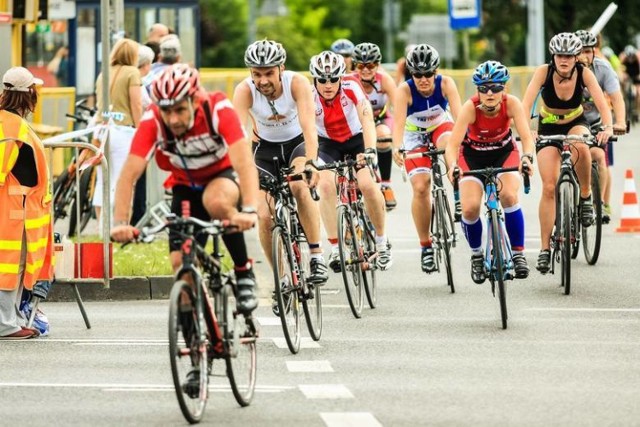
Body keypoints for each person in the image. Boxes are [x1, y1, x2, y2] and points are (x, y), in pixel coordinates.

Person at [110, 64, 259, 314]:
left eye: (180, 110)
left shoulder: (218, 109)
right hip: (185, 186)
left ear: (195, 100)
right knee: (180, 262)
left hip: (221, 176)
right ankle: (194, 331)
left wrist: (250, 210)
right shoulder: (153, 121)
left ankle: (244, 272)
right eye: (167, 111)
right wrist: (121, 222)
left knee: (218, 202)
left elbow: (244, 165)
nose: (174, 119)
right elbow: (128, 175)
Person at [232, 40, 328, 305]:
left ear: (281, 69)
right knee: (264, 215)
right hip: (263, 149)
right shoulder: (244, 91)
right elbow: (237, 135)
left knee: (299, 187)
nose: (262, 80)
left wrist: (311, 162)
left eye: (268, 73)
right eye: (256, 73)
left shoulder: (296, 83)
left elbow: (310, 126)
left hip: (297, 144)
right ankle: (282, 278)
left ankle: (316, 255)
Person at [522, 32, 613, 274]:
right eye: (560, 55)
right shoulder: (544, 72)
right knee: (550, 186)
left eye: (569, 56)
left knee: (583, 146)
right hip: (548, 126)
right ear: (553, 56)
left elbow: (602, 104)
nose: (564, 60)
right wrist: (527, 131)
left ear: (576, 57)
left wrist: (608, 126)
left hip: (575, 122)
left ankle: (585, 197)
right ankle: (544, 249)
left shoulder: (584, 73)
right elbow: (525, 103)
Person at [445, 61, 535, 283]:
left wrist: (526, 158)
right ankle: (476, 255)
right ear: (477, 90)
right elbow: (452, 145)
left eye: (496, 87)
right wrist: (452, 166)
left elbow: (526, 138)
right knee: (470, 208)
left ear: (504, 88)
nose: (490, 93)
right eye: (484, 88)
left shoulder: (512, 104)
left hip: (504, 154)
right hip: (473, 157)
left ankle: (518, 253)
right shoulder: (470, 107)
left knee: (509, 196)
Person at [310, 51, 393, 271]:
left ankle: (382, 243)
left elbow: (367, 120)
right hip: (328, 144)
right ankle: (336, 248)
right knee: (326, 186)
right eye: (322, 80)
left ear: (341, 78)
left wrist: (369, 151)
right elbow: (306, 131)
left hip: (357, 139)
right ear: (314, 80)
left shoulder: (351, 88)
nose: (328, 85)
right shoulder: (310, 97)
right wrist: (309, 162)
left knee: (366, 184)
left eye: (333, 79)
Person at [391, 44, 462, 273]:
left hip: (441, 126)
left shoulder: (446, 83)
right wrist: (397, 147)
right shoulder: (404, 90)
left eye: (428, 74)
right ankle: (426, 247)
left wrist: (464, 145)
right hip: (414, 135)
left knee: (450, 142)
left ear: (436, 71)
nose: (423, 79)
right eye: (417, 75)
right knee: (421, 187)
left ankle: (458, 193)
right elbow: (399, 125)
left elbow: (460, 119)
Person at [0, 67, 54, 339]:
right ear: (27, 94)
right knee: (9, 266)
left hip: (15, 209)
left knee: (14, 267)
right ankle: (5, 324)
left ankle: (12, 319)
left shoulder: (8, 122)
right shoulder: (13, 126)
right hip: (14, 211)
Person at [90, 38, 143, 228]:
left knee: (103, 180)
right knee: (124, 179)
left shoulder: (103, 73)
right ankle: (121, 225)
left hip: (101, 130)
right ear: (133, 55)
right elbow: (136, 104)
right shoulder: (132, 73)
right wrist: (141, 129)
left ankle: (101, 227)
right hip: (123, 131)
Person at [575, 30, 627, 224]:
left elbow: (617, 98)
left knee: (601, 159)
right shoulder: (566, 69)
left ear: (594, 51)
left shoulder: (603, 68)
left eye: (588, 51)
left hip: (598, 122)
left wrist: (618, 123)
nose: (584, 57)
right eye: (580, 51)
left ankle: (601, 204)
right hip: (573, 123)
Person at [351, 42, 398, 210]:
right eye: (361, 65)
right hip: (358, 122)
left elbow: (398, 106)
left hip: (380, 118)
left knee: (384, 137)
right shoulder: (350, 80)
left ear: (377, 65)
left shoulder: (384, 80)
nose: (365, 70)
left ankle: (386, 185)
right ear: (354, 65)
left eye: (370, 65)